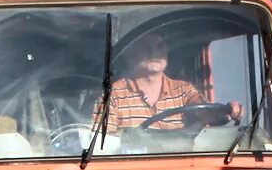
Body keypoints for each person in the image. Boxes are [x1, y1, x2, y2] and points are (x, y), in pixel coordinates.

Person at [102, 31, 242, 132]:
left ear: (167, 52)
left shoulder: (183, 90)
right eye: (145, 46)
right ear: (130, 53)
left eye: (159, 46)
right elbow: (104, 146)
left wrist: (227, 111)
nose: (153, 52)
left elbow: (204, 111)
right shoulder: (113, 95)